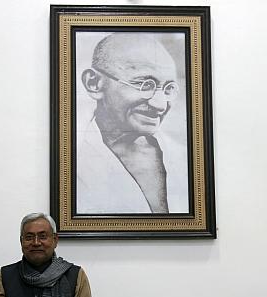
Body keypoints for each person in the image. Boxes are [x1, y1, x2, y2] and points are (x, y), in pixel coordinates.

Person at [77, 32, 189, 214]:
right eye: (144, 84)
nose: (160, 105)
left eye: (169, 89)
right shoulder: (71, 159)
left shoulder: (183, 158)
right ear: (94, 83)